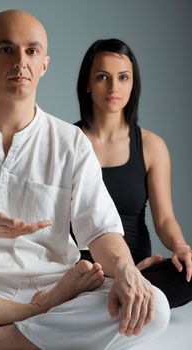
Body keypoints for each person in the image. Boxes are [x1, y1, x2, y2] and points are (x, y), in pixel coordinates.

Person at [0, 11, 170, 350]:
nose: (20, 62)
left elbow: (101, 230)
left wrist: (128, 270)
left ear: (44, 64)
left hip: (53, 280)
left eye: (31, 51)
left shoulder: (71, 142)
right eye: (6, 50)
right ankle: (35, 315)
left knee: (155, 308)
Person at [72, 38, 192, 309]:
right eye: (103, 77)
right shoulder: (67, 141)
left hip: (138, 267)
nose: (114, 87)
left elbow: (164, 218)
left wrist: (180, 247)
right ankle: (123, 299)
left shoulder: (151, 146)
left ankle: (119, 297)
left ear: (132, 84)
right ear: (88, 84)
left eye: (123, 77)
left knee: (188, 273)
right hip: (83, 269)